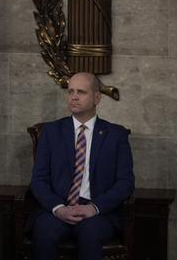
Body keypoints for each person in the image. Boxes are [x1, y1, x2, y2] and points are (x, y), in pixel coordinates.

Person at [30, 72, 135, 260]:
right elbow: (39, 180)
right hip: (58, 207)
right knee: (44, 231)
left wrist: (94, 208)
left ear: (97, 97)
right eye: (70, 92)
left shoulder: (116, 135)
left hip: (97, 212)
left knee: (90, 233)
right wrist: (58, 208)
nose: (74, 97)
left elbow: (125, 182)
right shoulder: (52, 132)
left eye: (81, 92)